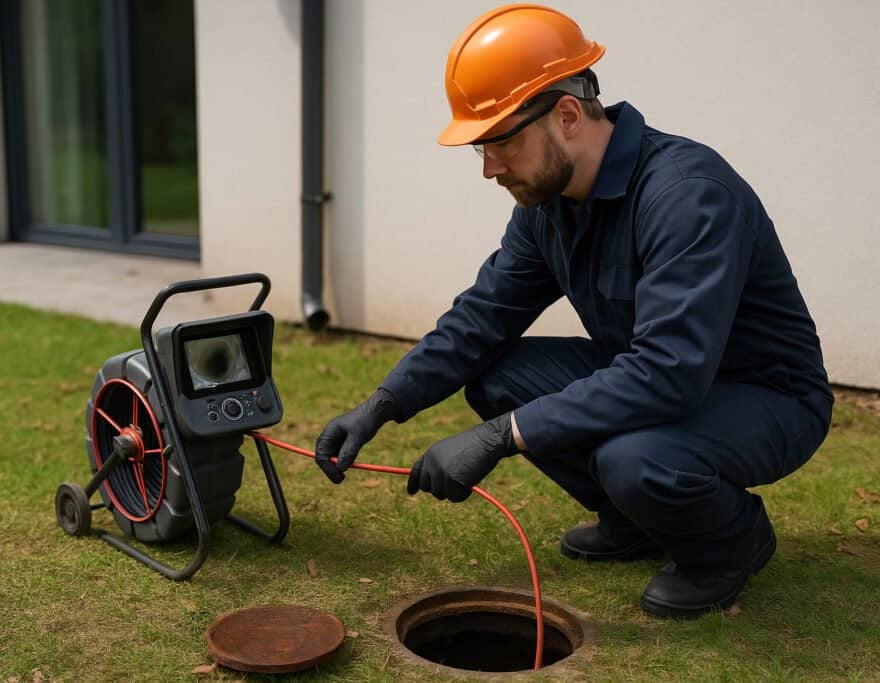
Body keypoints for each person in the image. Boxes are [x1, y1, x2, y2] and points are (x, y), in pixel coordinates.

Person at [313, 4, 832, 619]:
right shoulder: (547, 206)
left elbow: (668, 371)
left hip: (763, 394)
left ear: (565, 115)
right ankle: (633, 519)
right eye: (480, 148)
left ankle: (730, 543)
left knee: (635, 458)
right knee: (497, 375)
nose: (489, 168)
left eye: (501, 141)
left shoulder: (687, 196)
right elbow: (482, 317)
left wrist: (501, 436)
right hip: (659, 378)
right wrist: (384, 403)